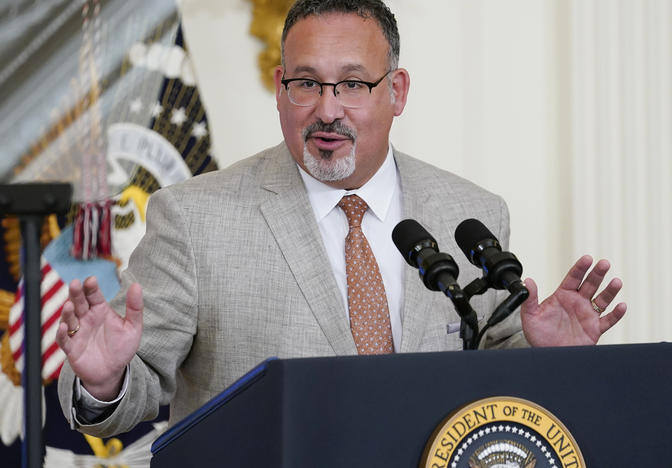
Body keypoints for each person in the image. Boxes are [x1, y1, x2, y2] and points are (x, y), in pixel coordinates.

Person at [56, 0, 626, 437]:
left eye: (353, 83)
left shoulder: (471, 213)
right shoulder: (193, 219)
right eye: (307, 83)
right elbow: (132, 388)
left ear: (396, 92)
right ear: (281, 90)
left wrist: (545, 357)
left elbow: (491, 378)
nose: (327, 109)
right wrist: (103, 380)